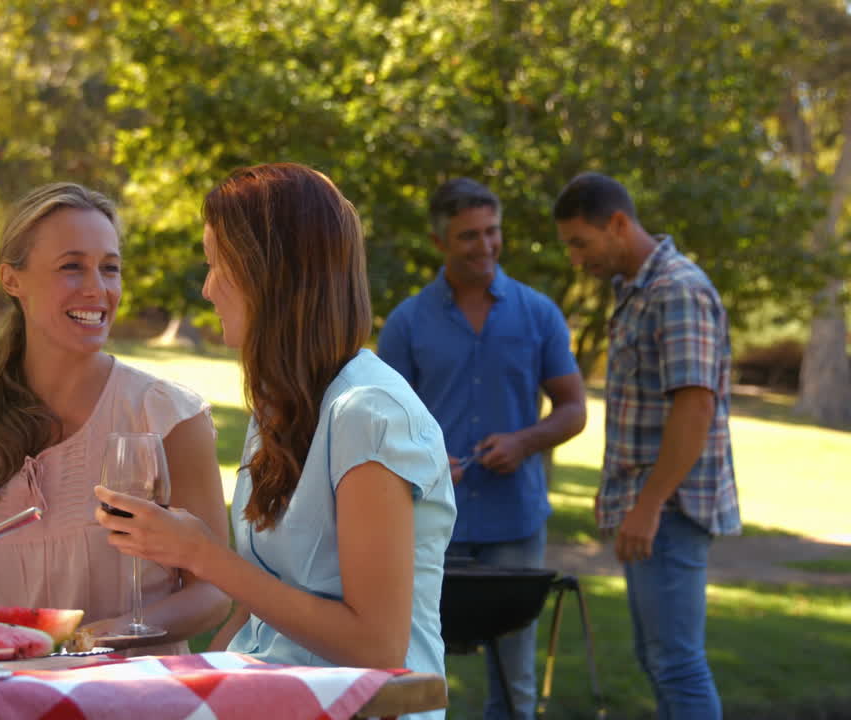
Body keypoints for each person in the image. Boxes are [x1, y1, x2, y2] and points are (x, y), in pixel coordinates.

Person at [93, 163, 456, 718]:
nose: (207, 287)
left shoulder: (368, 413)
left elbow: (378, 647)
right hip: (275, 697)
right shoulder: (281, 406)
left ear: (272, 273)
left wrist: (201, 555)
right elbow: (260, 610)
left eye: (218, 265)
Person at [0, 182, 231, 653]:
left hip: (136, 698)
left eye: (110, 268)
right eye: (71, 267)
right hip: (5, 696)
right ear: (11, 279)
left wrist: (93, 640)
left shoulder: (167, 416)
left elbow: (213, 591)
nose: (97, 288)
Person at [378, 177, 586, 720]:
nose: (486, 245)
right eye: (469, 236)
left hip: (515, 523)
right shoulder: (407, 321)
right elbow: (374, 422)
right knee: (412, 671)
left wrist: (525, 441)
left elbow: (573, 409)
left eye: (492, 232)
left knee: (514, 681)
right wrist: (418, 460)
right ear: (439, 240)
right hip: (427, 524)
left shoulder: (539, 314)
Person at [555, 172, 739, 719]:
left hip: (672, 510)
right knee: (657, 659)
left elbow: (695, 407)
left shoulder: (676, 290)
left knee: (677, 664)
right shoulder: (635, 292)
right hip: (648, 504)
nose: (574, 260)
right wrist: (617, 494)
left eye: (579, 243)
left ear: (617, 224)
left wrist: (649, 504)